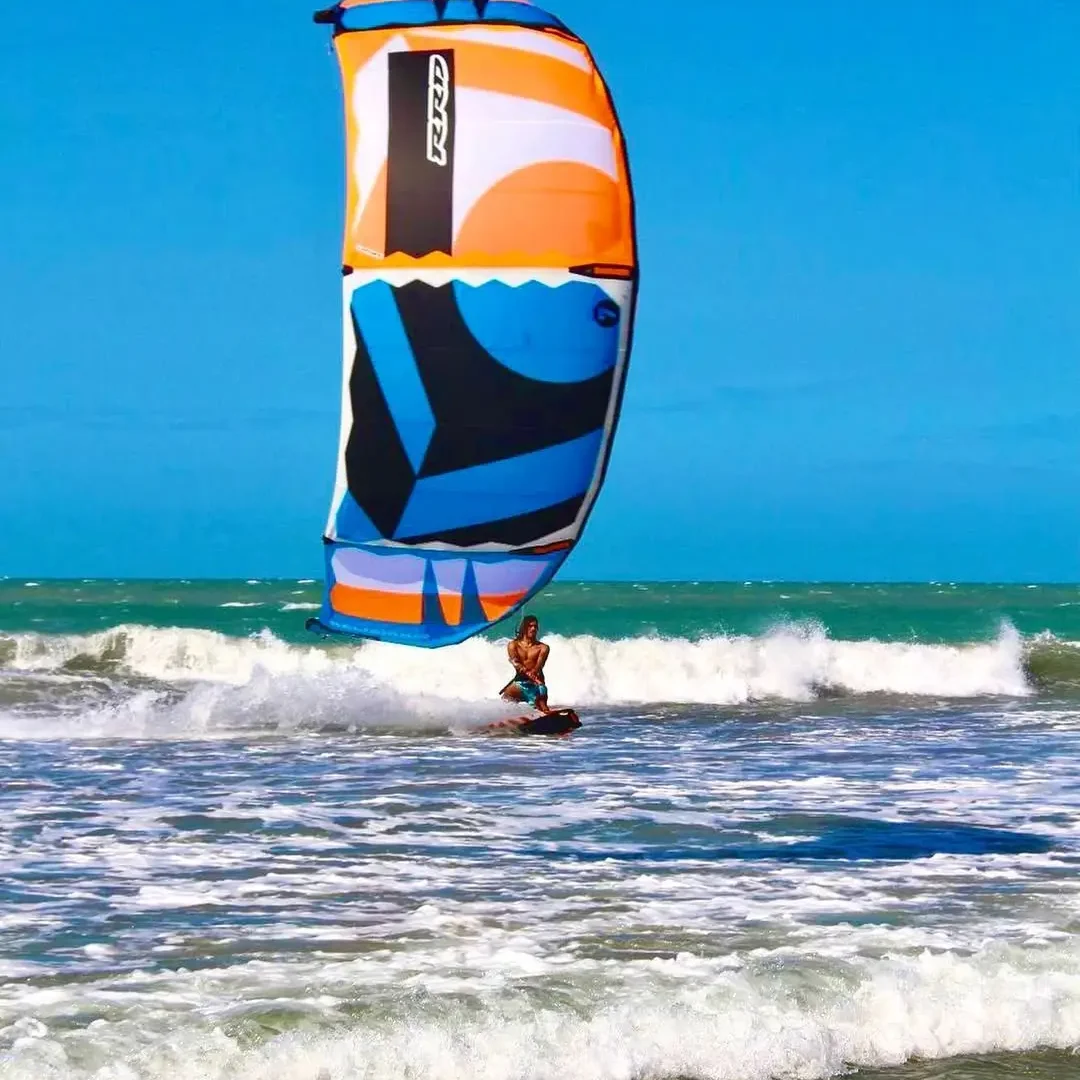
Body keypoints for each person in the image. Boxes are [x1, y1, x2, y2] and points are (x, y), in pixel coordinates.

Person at [500, 614, 551, 713]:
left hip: (536, 685)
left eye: (535, 627)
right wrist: (519, 666)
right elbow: (515, 662)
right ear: (524, 628)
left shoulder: (543, 648)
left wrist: (533, 672)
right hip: (519, 684)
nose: (533, 629)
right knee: (503, 705)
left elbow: (539, 666)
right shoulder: (513, 645)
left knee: (543, 710)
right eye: (530, 626)